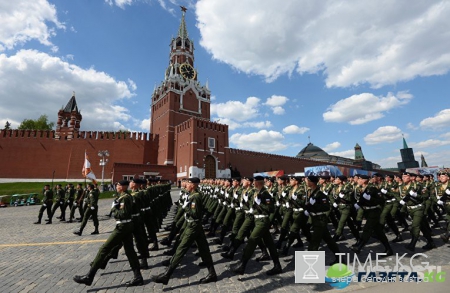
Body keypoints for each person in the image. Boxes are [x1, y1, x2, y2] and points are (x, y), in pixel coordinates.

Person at [73, 180, 143, 287]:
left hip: (122, 227)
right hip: (127, 225)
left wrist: (114, 208)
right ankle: (138, 277)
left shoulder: (125, 197)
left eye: (118, 185)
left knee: (104, 249)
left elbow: (123, 214)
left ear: (123, 187)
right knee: (130, 251)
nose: (116, 186)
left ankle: (89, 276)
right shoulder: (125, 196)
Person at [152, 177, 217, 285]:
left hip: (193, 226)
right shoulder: (192, 195)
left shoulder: (195, 197)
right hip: (193, 225)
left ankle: (167, 275)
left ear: (193, 185)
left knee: (181, 248)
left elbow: (195, 213)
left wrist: (186, 207)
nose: (186, 184)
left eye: (188, 183)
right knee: (203, 248)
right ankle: (212, 273)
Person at [304, 175, 341, 266]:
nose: (306, 182)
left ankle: (310, 268)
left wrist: (313, 206)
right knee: (329, 241)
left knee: (314, 243)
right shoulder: (311, 192)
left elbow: (326, 207)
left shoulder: (320, 194)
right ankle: (340, 259)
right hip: (316, 219)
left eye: (307, 181)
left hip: (320, 220)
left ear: (312, 182)